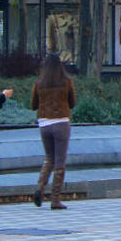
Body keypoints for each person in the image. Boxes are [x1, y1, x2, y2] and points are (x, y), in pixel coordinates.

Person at [30, 54, 76, 210]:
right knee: (60, 162)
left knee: (49, 158)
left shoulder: (39, 83)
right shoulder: (67, 81)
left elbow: (33, 105)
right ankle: (55, 199)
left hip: (44, 123)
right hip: (61, 122)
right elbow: (72, 103)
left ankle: (39, 188)